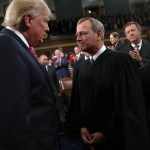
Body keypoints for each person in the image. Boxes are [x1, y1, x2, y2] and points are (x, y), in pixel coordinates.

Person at [68, 17, 150, 150]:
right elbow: (77, 102)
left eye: (82, 33)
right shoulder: (81, 67)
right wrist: (82, 126)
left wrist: (106, 133)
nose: (78, 38)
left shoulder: (121, 61)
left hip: (116, 140)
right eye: (77, 35)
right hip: (88, 140)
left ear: (99, 34)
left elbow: (130, 104)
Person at [0, 0, 60, 150]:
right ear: (28, 20)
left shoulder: (17, 46)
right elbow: (14, 117)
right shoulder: (6, 45)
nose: (47, 27)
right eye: (45, 21)